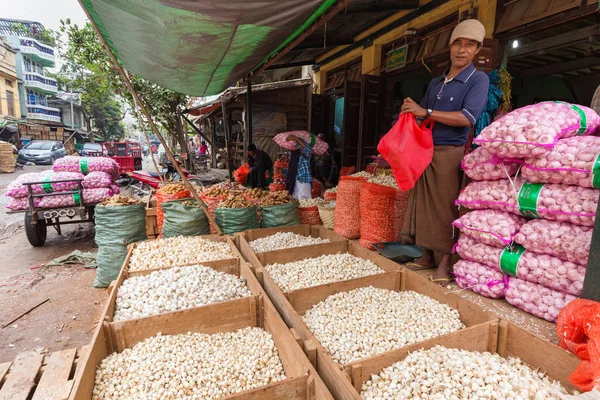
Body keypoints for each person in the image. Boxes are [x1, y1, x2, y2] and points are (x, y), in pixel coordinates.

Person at [400, 19, 490, 283]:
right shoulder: (437, 82)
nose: (462, 50)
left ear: (477, 50)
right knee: (423, 205)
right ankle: (427, 256)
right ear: (450, 47)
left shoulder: (477, 79)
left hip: (450, 154)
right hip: (425, 151)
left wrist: (424, 111)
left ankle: (446, 264)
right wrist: (408, 117)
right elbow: (422, 117)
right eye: (458, 44)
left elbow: (467, 118)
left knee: (445, 208)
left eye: (470, 45)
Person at [286, 135, 313, 199]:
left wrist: (296, 139)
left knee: (304, 202)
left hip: (303, 180)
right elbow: (292, 168)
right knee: (295, 201)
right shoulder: (292, 153)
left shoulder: (302, 150)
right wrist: (283, 171)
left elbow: (308, 151)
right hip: (295, 181)